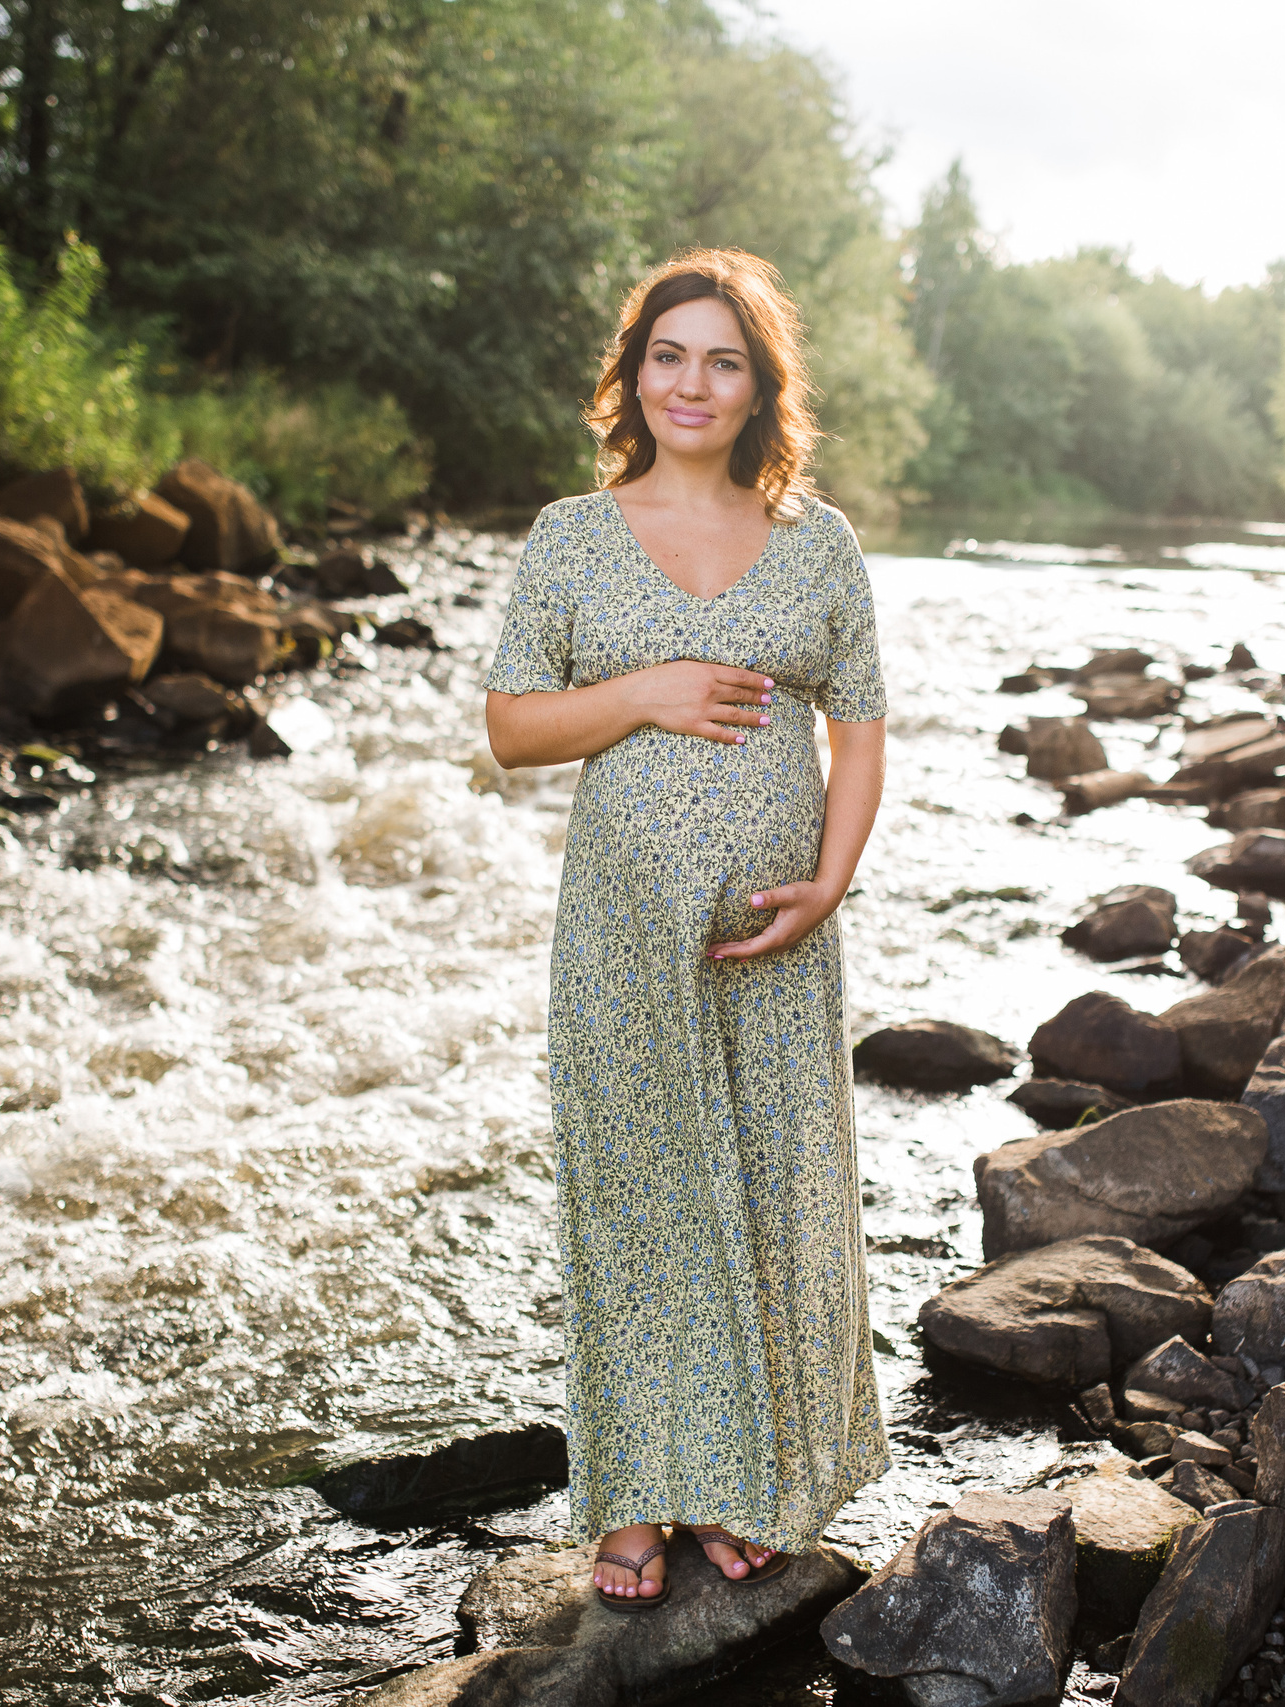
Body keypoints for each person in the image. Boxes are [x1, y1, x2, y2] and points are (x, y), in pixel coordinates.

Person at [483, 248, 890, 1610]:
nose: (692, 383)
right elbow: (511, 729)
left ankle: (750, 1484)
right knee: (642, 1201)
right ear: (635, 374)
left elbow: (863, 723)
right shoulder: (572, 537)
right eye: (670, 356)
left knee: (772, 1190)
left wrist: (827, 883)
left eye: (724, 359)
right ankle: (638, 1498)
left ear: (760, 385)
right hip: (620, 934)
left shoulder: (817, 542)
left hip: (777, 939)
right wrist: (648, 688)